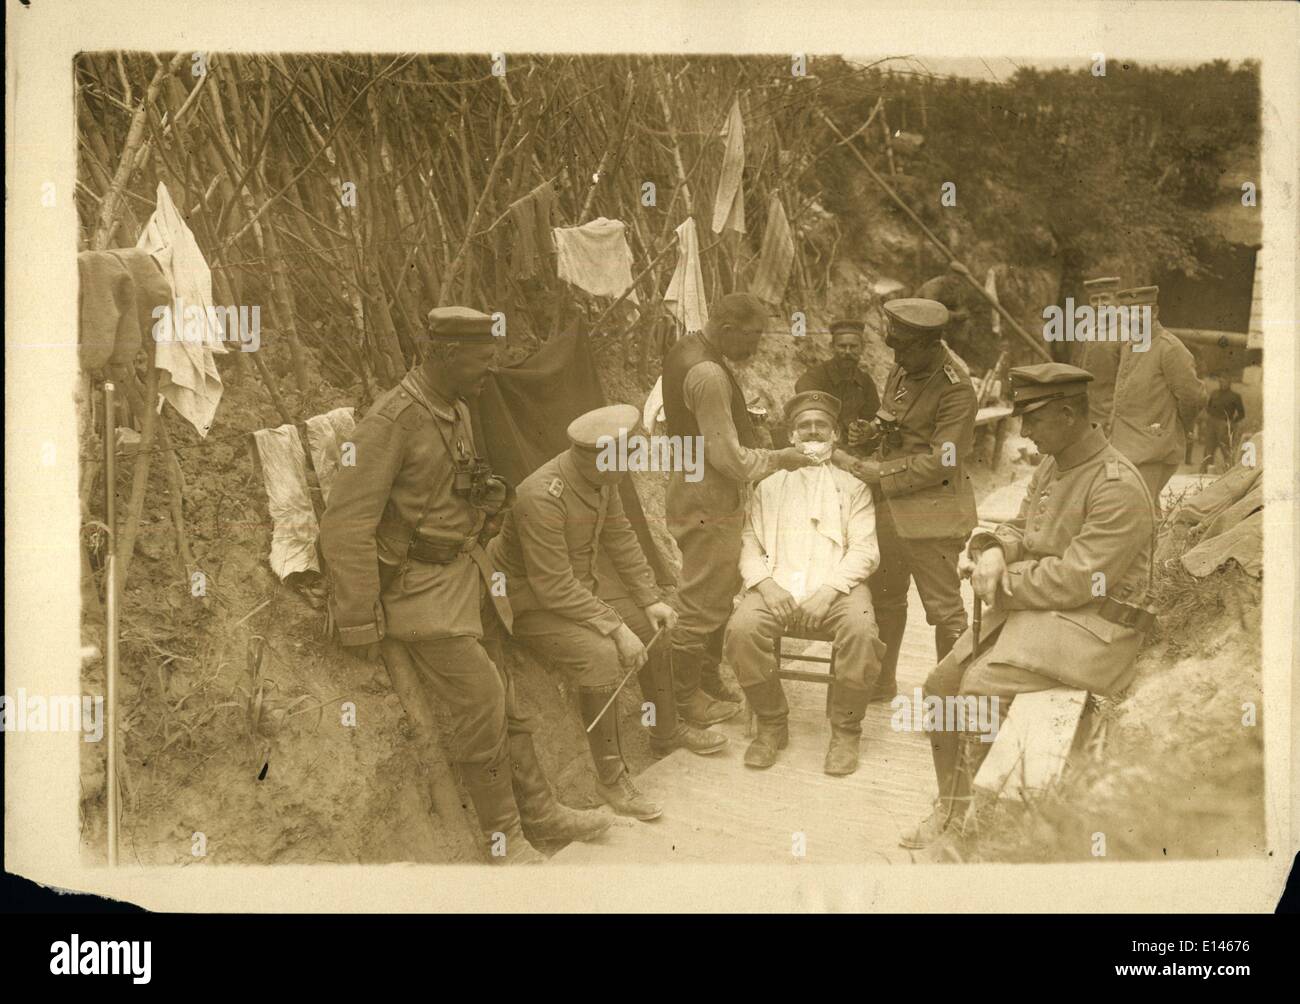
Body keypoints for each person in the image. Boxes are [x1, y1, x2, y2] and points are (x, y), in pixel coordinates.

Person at [319, 306, 611, 864]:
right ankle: (503, 838)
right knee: (481, 698)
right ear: (446, 355)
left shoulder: (453, 405)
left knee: (506, 690)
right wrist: (358, 617)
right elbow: (346, 522)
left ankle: (542, 812)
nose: (488, 374)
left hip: (468, 574)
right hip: (417, 590)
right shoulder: (391, 423)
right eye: (481, 362)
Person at [900, 364, 1155, 849]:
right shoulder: (1055, 462)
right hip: (1046, 610)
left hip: (1097, 628)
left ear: (1066, 413)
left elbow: (1080, 580)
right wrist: (993, 550)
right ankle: (952, 810)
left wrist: (998, 578)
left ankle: (980, 829)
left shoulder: (1116, 485)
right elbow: (1022, 528)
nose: (1025, 432)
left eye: (1033, 420)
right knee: (939, 686)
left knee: (978, 687)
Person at [489, 405, 729, 821]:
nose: (630, 465)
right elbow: (551, 586)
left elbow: (621, 539)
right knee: (600, 656)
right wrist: (614, 627)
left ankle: (665, 731)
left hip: (575, 591)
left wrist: (649, 598)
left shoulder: (603, 478)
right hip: (527, 601)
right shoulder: (541, 496)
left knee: (654, 626)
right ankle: (610, 776)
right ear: (595, 457)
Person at [660, 292, 815, 725]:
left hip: (694, 482)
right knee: (701, 600)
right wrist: (779, 458)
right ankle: (683, 701)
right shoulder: (707, 371)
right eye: (753, 336)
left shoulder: (687, 348)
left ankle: (706, 681)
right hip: (707, 493)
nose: (757, 346)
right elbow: (728, 458)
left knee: (717, 591)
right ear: (727, 329)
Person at [725, 391, 885, 776]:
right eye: (804, 426)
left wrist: (828, 591)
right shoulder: (768, 485)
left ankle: (846, 731)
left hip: (837, 588)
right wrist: (766, 585)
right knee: (741, 630)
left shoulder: (852, 486)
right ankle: (772, 723)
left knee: (861, 631)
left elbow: (865, 550)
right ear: (791, 436)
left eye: (821, 425)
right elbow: (749, 542)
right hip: (778, 585)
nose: (812, 431)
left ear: (834, 435)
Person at [832, 298, 978, 704]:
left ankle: (947, 700)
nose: (896, 357)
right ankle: (882, 682)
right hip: (891, 511)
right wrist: (870, 434)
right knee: (886, 597)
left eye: (905, 348)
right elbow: (890, 419)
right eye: (894, 347)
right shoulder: (904, 367)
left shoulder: (957, 389)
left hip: (934, 516)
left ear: (931, 343)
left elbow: (943, 461)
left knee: (945, 612)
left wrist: (882, 473)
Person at [1105, 285, 1206, 506]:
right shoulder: (1129, 345)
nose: (1135, 319)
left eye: (1141, 311)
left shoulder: (1169, 349)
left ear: (1155, 312)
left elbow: (1194, 397)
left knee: (1137, 510)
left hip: (1152, 451)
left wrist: (1179, 426)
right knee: (1133, 512)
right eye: (1128, 313)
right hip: (1123, 447)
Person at [795, 318, 881, 457]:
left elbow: (872, 420)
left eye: (853, 347)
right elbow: (809, 422)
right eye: (842, 346)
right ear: (831, 347)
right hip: (819, 449)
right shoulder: (814, 378)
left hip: (855, 451)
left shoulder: (865, 381)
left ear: (862, 348)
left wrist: (863, 433)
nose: (847, 352)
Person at [1074, 275, 1123, 414]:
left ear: (1117, 300)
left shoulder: (1126, 333)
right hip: (1089, 415)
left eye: (1105, 298)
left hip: (1113, 418)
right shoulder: (1090, 333)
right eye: (1094, 300)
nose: (1100, 305)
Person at [1201, 372, 1245, 472]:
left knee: (1225, 449)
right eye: (1220, 381)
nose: (1222, 383)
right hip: (1212, 423)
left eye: (1225, 381)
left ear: (1229, 383)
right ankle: (1204, 471)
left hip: (1224, 424)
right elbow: (1208, 408)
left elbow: (1242, 414)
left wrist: (1231, 423)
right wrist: (1208, 421)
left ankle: (1228, 471)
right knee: (1209, 448)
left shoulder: (1235, 396)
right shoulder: (1214, 393)